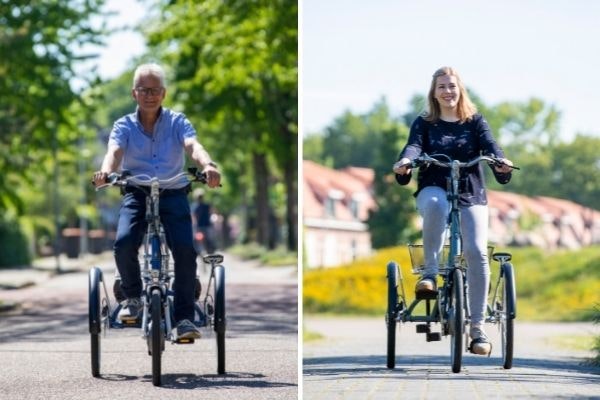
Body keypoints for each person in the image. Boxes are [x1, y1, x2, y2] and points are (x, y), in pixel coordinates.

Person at [92, 63, 221, 339]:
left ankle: (185, 318)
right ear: (134, 93)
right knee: (124, 243)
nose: (149, 95)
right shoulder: (123, 125)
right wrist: (106, 172)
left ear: (163, 93)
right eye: (143, 90)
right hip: (136, 192)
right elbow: (114, 151)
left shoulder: (177, 122)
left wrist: (208, 165)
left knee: (186, 251)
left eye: (155, 90)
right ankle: (134, 299)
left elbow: (192, 146)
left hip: (173, 191)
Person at [393, 66, 513, 355]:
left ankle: (477, 329)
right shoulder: (425, 123)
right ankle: (430, 276)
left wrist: (501, 160)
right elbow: (413, 146)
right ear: (434, 93)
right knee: (435, 206)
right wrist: (405, 162)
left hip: (471, 190)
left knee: (476, 251)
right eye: (441, 87)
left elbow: (491, 146)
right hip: (434, 184)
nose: (448, 91)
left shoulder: (475, 121)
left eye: (452, 86)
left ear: (461, 90)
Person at [192, 188, 217, 255]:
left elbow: (193, 217)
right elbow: (212, 213)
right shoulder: (206, 205)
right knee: (209, 239)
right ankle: (209, 250)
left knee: (205, 239)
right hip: (205, 226)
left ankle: (199, 250)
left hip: (201, 226)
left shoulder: (194, 206)